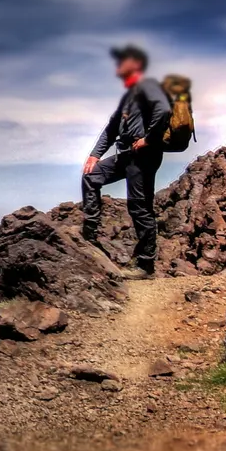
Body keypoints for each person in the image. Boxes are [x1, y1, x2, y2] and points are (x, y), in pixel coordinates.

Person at [82, 44, 171, 279]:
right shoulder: (128, 96)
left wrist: (148, 139)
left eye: (123, 60)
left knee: (139, 207)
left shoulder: (147, 86)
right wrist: (95, 155)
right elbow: (111, 129)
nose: (118, 64)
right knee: (91, 176)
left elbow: (163, 110)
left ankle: (146, 266)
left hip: (143, 156)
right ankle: (89, 233)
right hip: (125, 154)